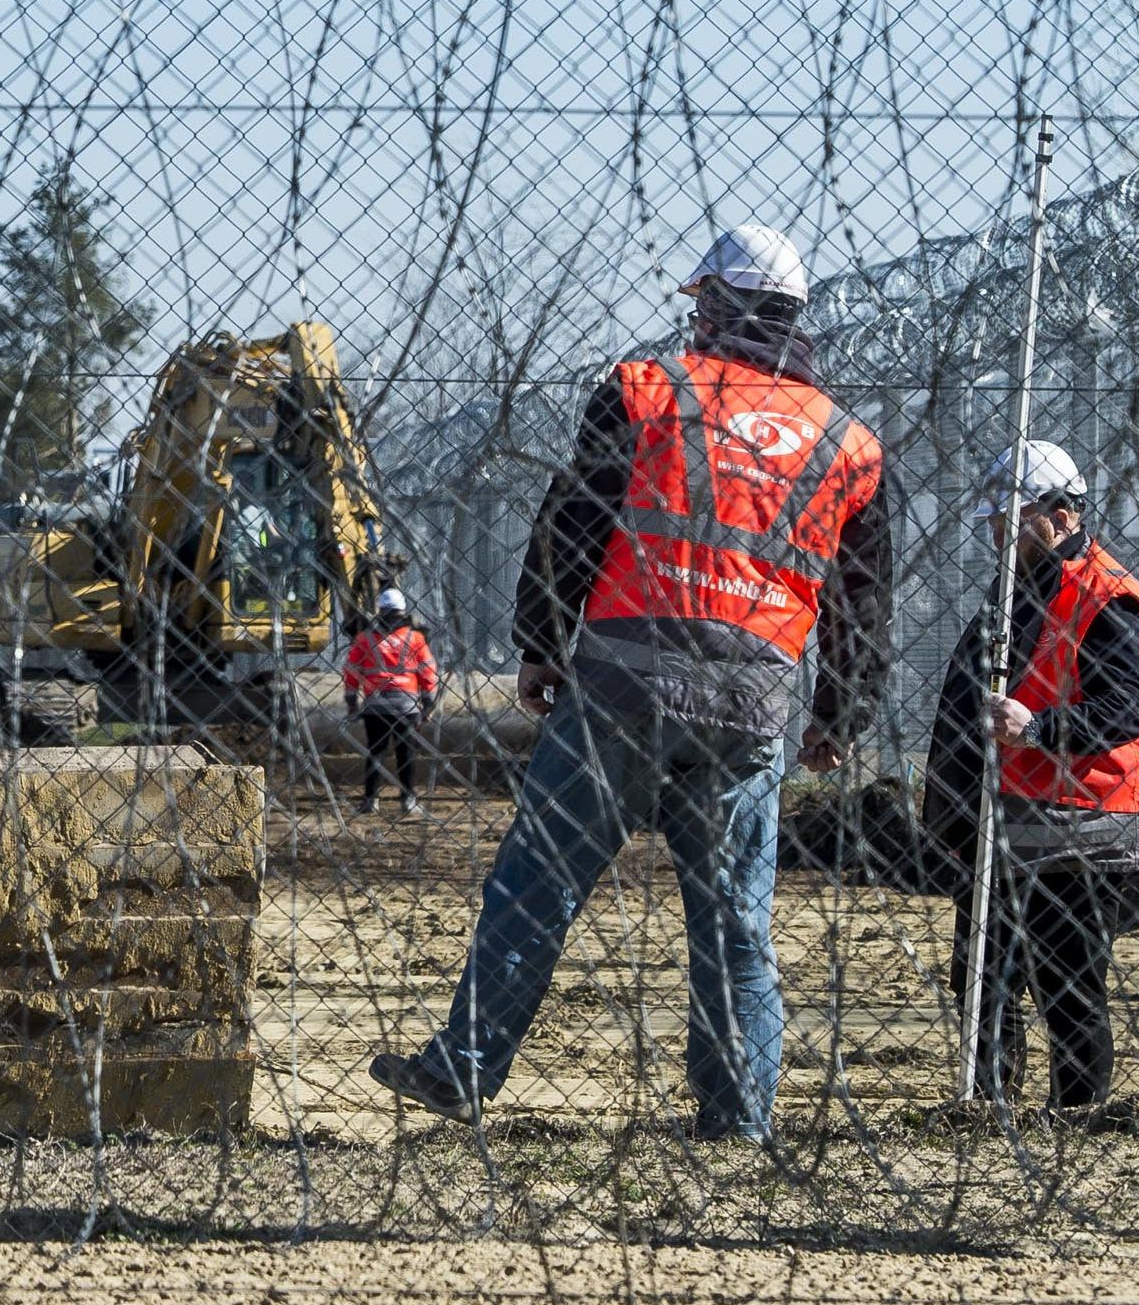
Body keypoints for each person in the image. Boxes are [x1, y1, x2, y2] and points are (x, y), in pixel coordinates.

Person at [369, 224, 896, 1141]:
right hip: (748, 707)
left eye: (699, 304)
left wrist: (538, 639)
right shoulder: (847, 445)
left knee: (537, 882)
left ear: (718, 304)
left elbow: (573, 520)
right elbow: (862, 604)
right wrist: (838, 714)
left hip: (621, 689)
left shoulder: (649, 391)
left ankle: (463, 1067)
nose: (691, 320)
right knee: (735, 924)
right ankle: (738, 1118)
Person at [920, 439, 1139, 1116]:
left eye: (1012, 518)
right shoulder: (1018, 589)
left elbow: (1126, 710)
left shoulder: (1108, 598)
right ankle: (984, 1103)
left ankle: (1075, 1115)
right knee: (980, 976)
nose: (998, 532)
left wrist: (1035, 726)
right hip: (1009, 819)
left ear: (1060, 515)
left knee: (1066, 985)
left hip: (1078, 828)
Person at [343, 588, 439, 816]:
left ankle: (370, 800)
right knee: (406, 754)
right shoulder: (415, 638)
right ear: (403, 611)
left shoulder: (364, 639)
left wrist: (352, 701)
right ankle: (408, 800)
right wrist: (428, 703)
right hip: (406, 705)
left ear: (380, 611)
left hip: (375, 705)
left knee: (376, 751)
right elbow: (428, 671)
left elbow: (351, 671)